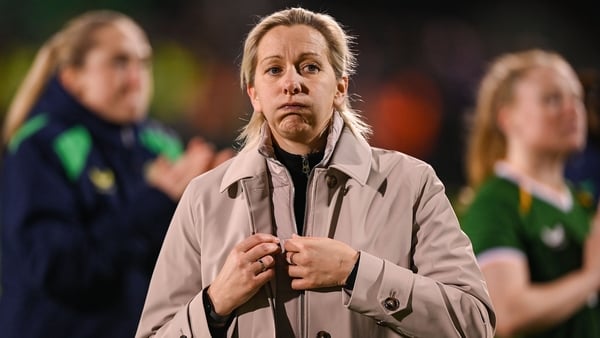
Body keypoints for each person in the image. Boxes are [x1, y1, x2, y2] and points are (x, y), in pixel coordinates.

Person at [136, 7, 495, 338]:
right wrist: (214, 304)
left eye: (310, 66)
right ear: (254, 95)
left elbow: (473, 322)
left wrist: (355, 272)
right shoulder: (204, 197)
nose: (292, 82)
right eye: (274, 69)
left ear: (340, 88)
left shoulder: (412, 183)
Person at [0, 10, 232, 338]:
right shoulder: (40, 146)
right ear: (73, 77)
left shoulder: (158, 142)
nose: (138, 78)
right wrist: (156, 202)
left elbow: (181, 268)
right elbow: (60, 270)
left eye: (144, 63)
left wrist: (215, 203)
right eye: (120, 62)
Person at [460, 49, 600, 338]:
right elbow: (505, 314)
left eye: (577, 99)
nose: (573, 110)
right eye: (552, 99)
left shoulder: (582, 201)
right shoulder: (496, 203)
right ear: (508, 118)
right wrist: (591, 277)